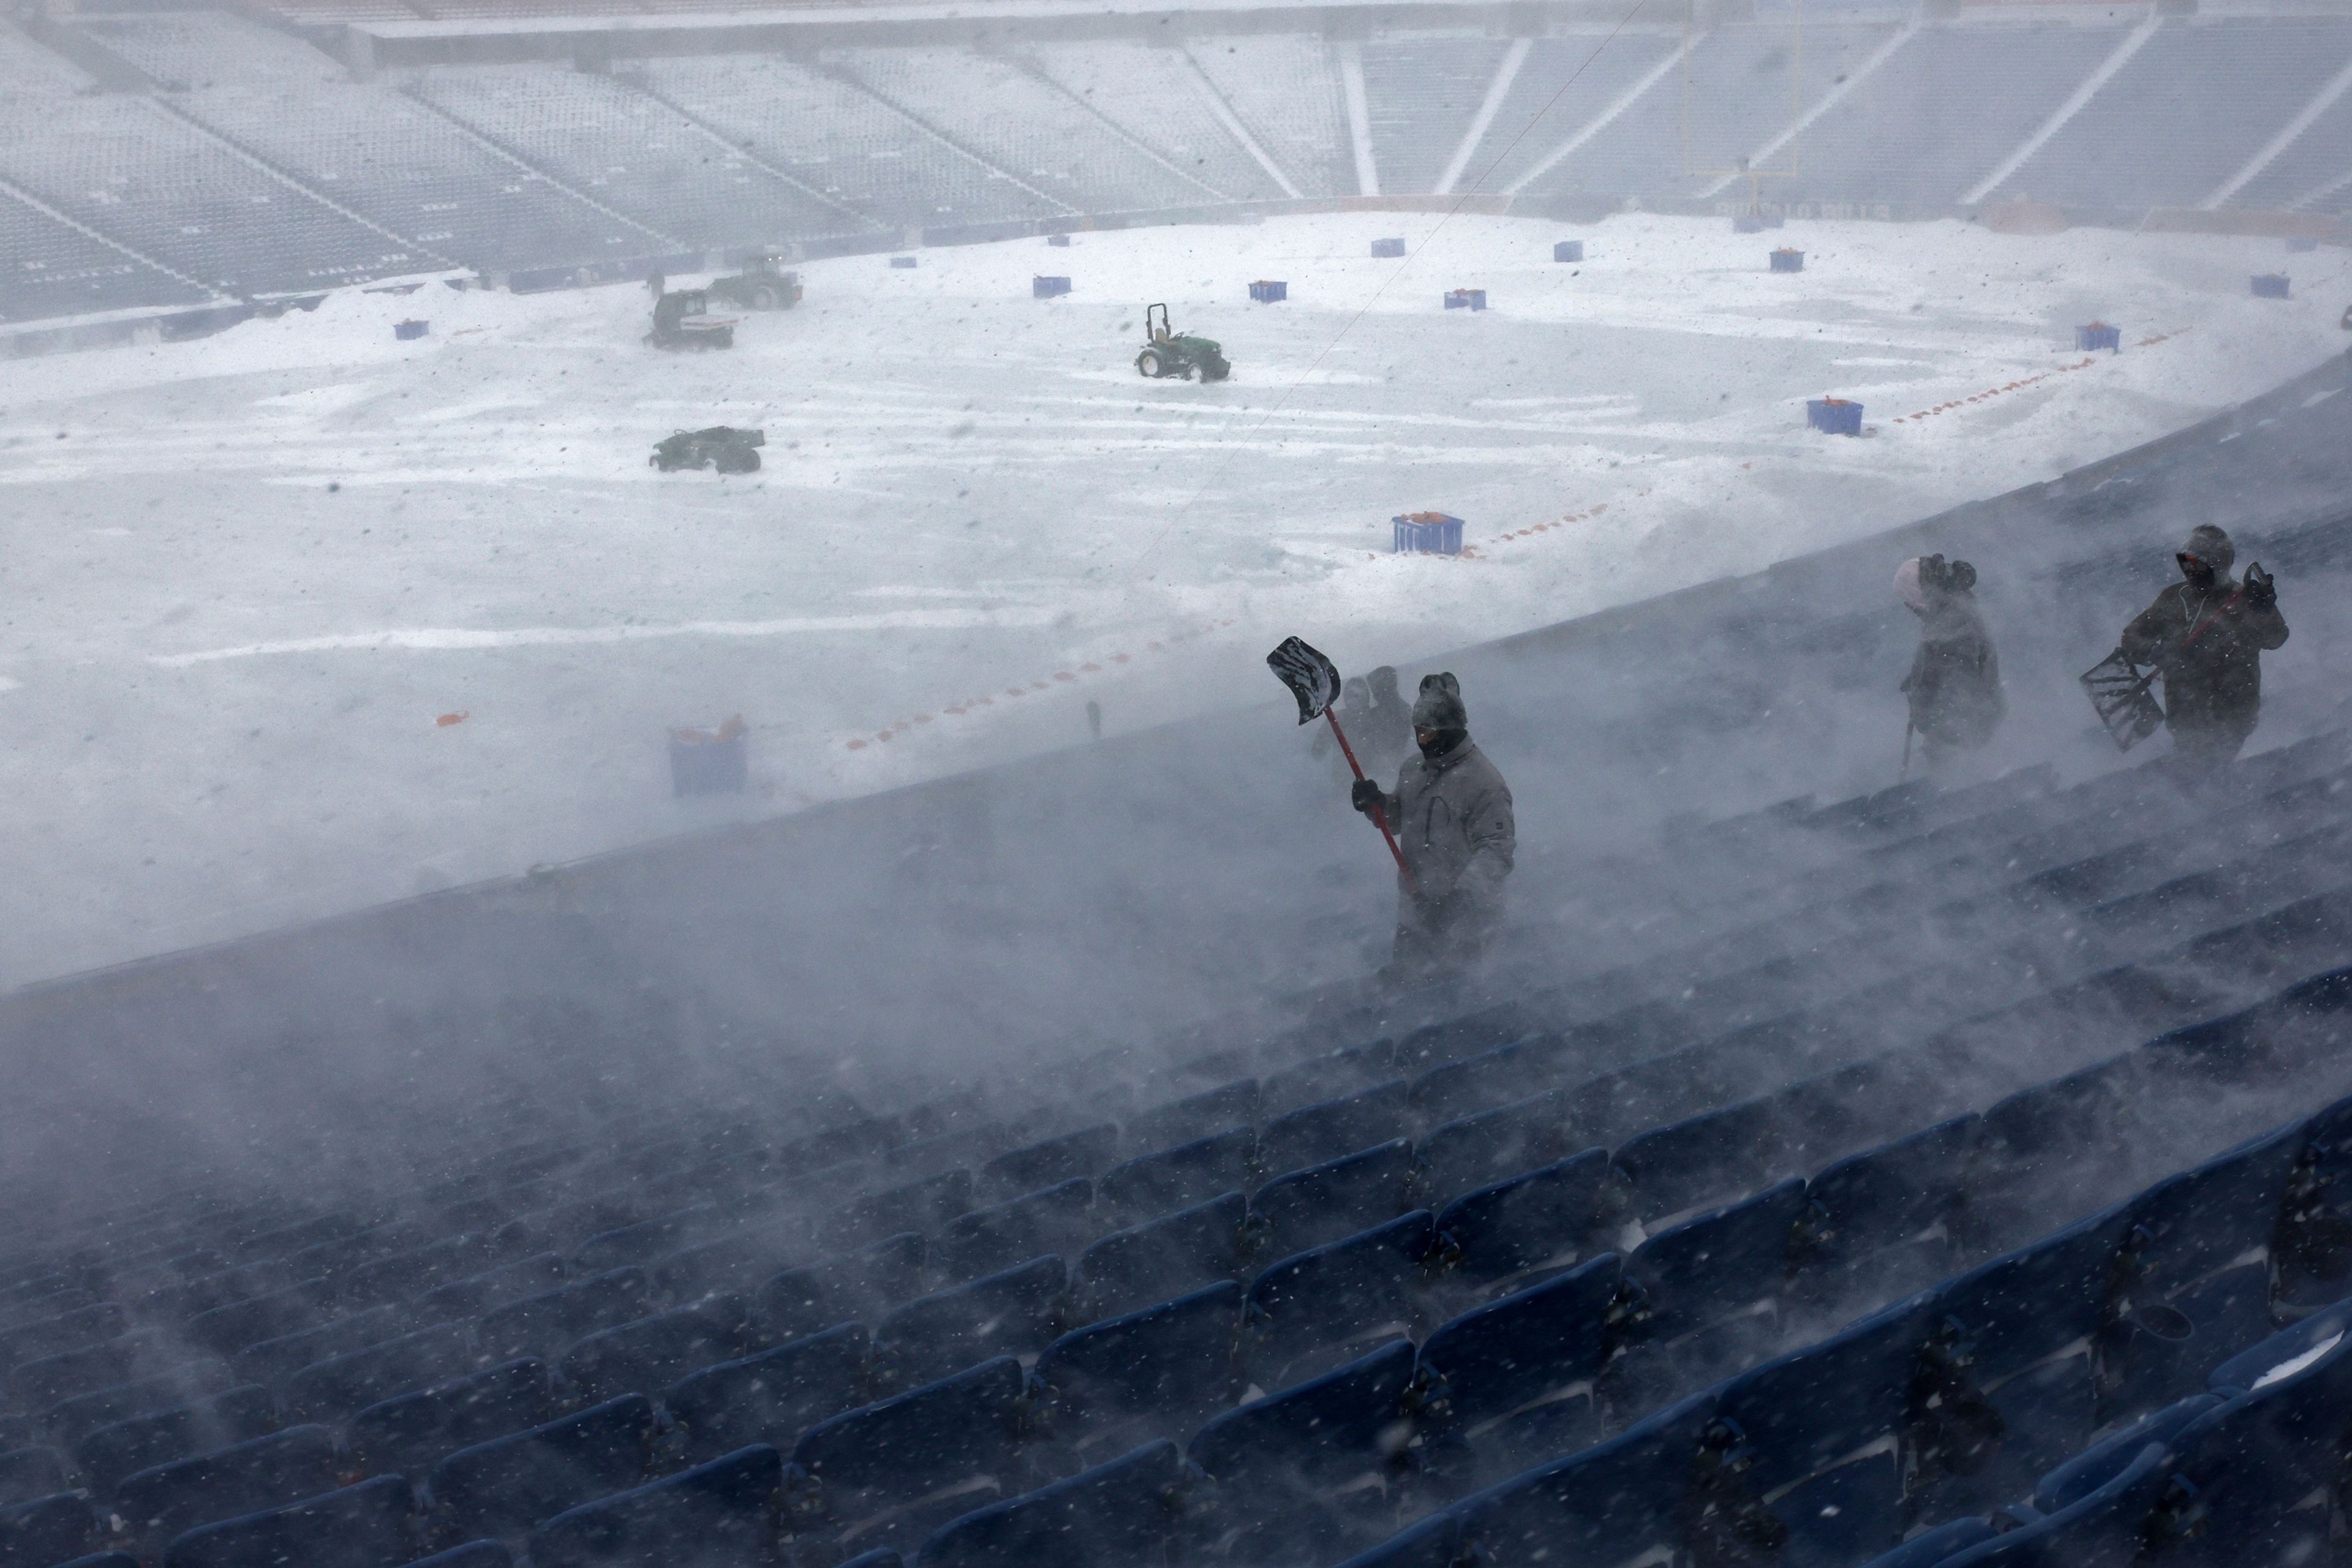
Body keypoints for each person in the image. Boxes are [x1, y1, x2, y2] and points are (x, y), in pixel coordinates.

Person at [1351, 673, 1515, 980]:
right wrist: (1376, 804)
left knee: (1458, 998)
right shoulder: (1413, 769)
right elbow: (1399, 819)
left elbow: (1496, 850)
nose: (1421, 742)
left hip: (1467, 922)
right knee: (1409, 990)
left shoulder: (1483, 782)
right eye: (1418, 733)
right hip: (1417, 912)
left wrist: (1459, 900)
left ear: (1449, 732)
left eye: (1428, 734)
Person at [2117, 524, 2286, 769]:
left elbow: (2276, 638)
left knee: (2210, 772)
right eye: (2187, 563)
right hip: (2185, 716)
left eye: (2198, 565)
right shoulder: (2174, 599)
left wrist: (2265, 610)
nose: (2190, 570)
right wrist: (2152, 652)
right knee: (2194, 769)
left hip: (2234, 714)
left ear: (2217, 565)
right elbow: (2133, 635)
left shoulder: (2246, 600)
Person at [1896, 553, 2003, 768]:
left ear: (1920, 597)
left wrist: (1925, 706)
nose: (1910, 608)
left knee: (1953, 782)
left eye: (1909, 601)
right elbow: (1940, 657)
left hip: (1961, 738)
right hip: (1959, 732)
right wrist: (1918, 678)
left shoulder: (1953, 625)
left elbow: (1958, 693)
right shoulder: (1947, 612)